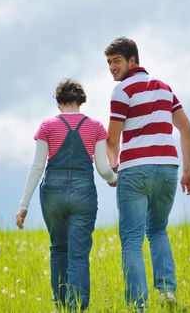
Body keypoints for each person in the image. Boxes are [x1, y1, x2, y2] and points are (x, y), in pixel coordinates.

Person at [104, 37, 190, 311]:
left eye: (116, 61)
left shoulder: (122, 91)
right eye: (109, 63)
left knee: (132, 240)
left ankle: (138, 305)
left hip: (135, 171)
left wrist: (113, 169)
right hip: (168, 169)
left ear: (133, 60)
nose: (112, 67)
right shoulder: (165, 88)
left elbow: (112, 140)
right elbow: (187, 130)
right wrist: (188, 170)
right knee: (158, 230)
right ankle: (167, 292)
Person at [15, 79, 117, 311]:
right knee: (79, 255)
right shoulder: (96, 127)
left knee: (58, 249)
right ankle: (77, 308)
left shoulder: (47, 126)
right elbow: (103, 169)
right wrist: (113, 179)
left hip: (52, 193)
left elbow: (37, 167)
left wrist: (24, 204)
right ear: (80, 101)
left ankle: (60, 306)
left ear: (59, 103)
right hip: (83, 193)